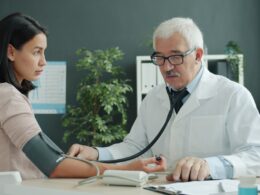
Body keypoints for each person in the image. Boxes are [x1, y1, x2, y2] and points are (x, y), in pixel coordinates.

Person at [68, 17, 260, 182]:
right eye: (160, 58)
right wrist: (97, 153)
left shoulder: (233, 95)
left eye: (175, 57)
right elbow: (135, 148)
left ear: (198, 55)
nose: (167, 67)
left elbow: (256, 155)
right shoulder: (153, 98)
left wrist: (211, 166)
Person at [0, 12, 166, 180]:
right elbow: (53, 165)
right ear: (11, 52)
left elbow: (51, 157)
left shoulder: (9, 95)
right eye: (36, 52)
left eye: (44, 52)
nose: (44, 61)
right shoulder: (7, 96)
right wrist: (126, 169)